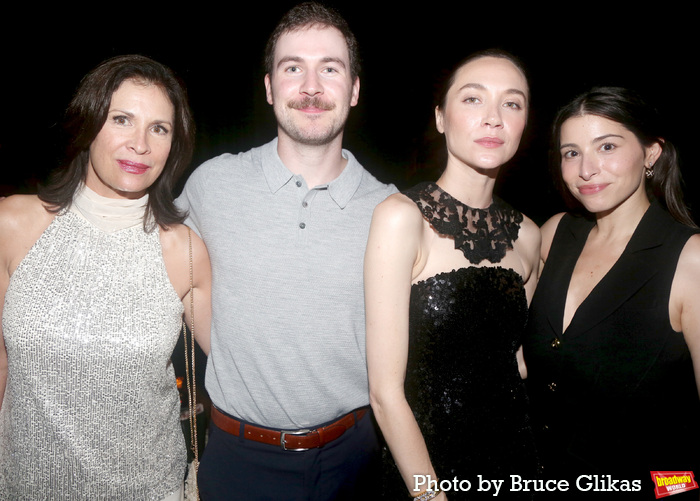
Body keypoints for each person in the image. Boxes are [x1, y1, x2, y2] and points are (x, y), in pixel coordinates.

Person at [175, 3, 396, 499]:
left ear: (355, 89)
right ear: (271, 87)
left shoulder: (391, 210)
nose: (311, 87)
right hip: (237, 460)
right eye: (293, 67)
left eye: (330, 69)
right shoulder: (212, 185)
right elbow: (156, 265)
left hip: (355, 460)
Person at [0, 54, 211, 500]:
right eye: (122, 119)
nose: (141, 144)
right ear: (88, 123)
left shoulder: (183, 249)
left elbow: (242, 365)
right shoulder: (13, 224)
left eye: (159, 128)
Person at [365, 50, 541, 500]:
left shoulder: (529, 236)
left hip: (516, 463)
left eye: (512, 103)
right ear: (441, 118)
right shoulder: (401, 218)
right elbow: (385, 394)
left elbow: (516, 363)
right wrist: (430, 495)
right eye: (472, 99)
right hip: (426, 471)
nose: (493, 119)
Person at [523, 87, 700, 496]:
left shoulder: (688, 259)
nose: (586, 169)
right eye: (571, 152)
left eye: (606, 146)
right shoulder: (554, 235)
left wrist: (674, 490)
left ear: (651, 154)